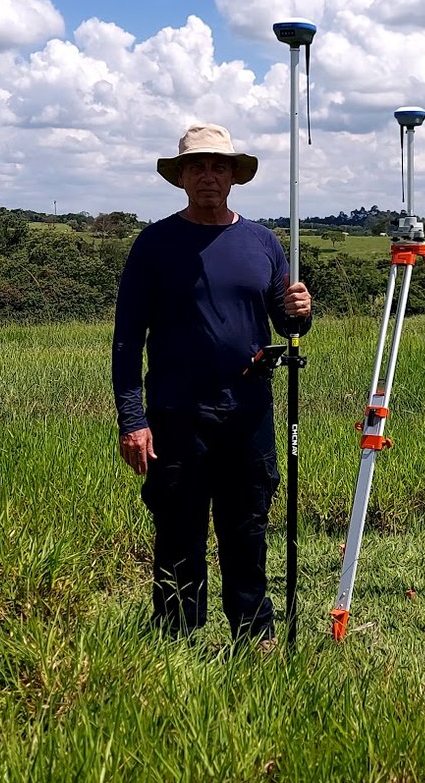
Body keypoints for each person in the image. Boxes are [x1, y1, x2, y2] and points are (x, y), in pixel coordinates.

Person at [111, 123, 312, 643]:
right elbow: (127, 339)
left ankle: (254, 634)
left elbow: (286, 324)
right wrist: (132, 420)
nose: (208, 176)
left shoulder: (262, 242)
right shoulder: (154, 244)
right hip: (176, 415)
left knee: (247, 528)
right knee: (178, 530)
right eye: (196, 166)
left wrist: (300, 311)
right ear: (180, 177)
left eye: (218, 166)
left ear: (233, 176)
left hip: (249, 414)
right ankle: (176, 637)